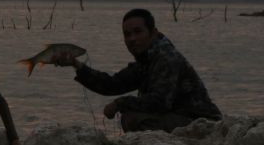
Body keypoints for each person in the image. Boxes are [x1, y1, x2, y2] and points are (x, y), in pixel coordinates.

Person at [56, 8, 221, 132]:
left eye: (137, 32)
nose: (132, 39)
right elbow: (112, 84)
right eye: (127, 34)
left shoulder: (166, 58)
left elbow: (159, 103)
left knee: (133, 118)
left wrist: (120, 103)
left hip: (204, 124)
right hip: (181, 120)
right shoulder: (146, 61)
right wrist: (76, 64)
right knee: (130, 116)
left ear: (153, 33)